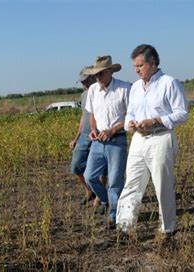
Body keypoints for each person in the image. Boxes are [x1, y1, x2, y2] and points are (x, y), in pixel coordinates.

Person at [116, 44, 188, 236]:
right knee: (132, 182)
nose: (137, 70)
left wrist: (156, 121)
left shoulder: (169, 83)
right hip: (139, 140)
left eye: (140, 65)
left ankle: (167, 230)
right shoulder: (136, 87)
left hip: (160, 138)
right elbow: (130, 112)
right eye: (135, 66)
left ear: (153, 63)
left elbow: (182, 113)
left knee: (162, 185)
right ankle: (124, 227)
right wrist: (129, 124)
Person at [83, 55, 131, 227]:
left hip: (116, 141)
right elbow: (93, 115)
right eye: (96, 75)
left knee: (115, 181)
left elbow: (130, 117)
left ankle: (114, 216)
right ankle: (106, 201)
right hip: (97, 142)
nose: (98, 78)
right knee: (90, 177)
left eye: (101, 74)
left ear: (110, 71)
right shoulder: (93, 90)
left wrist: (112, 130)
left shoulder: (125, 89)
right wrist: (94, 130)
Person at [69, 66, 107, 206]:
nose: (84, 84)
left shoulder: (103, 91)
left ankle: (99, 197)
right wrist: (76, 138)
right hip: (85, 136)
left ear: (94, 77)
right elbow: (83, 117)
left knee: (102, 169)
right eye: (82, 82)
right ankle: (89, 191)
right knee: (76, 166)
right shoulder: (84, 95)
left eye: (86, 80)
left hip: (99, 135)